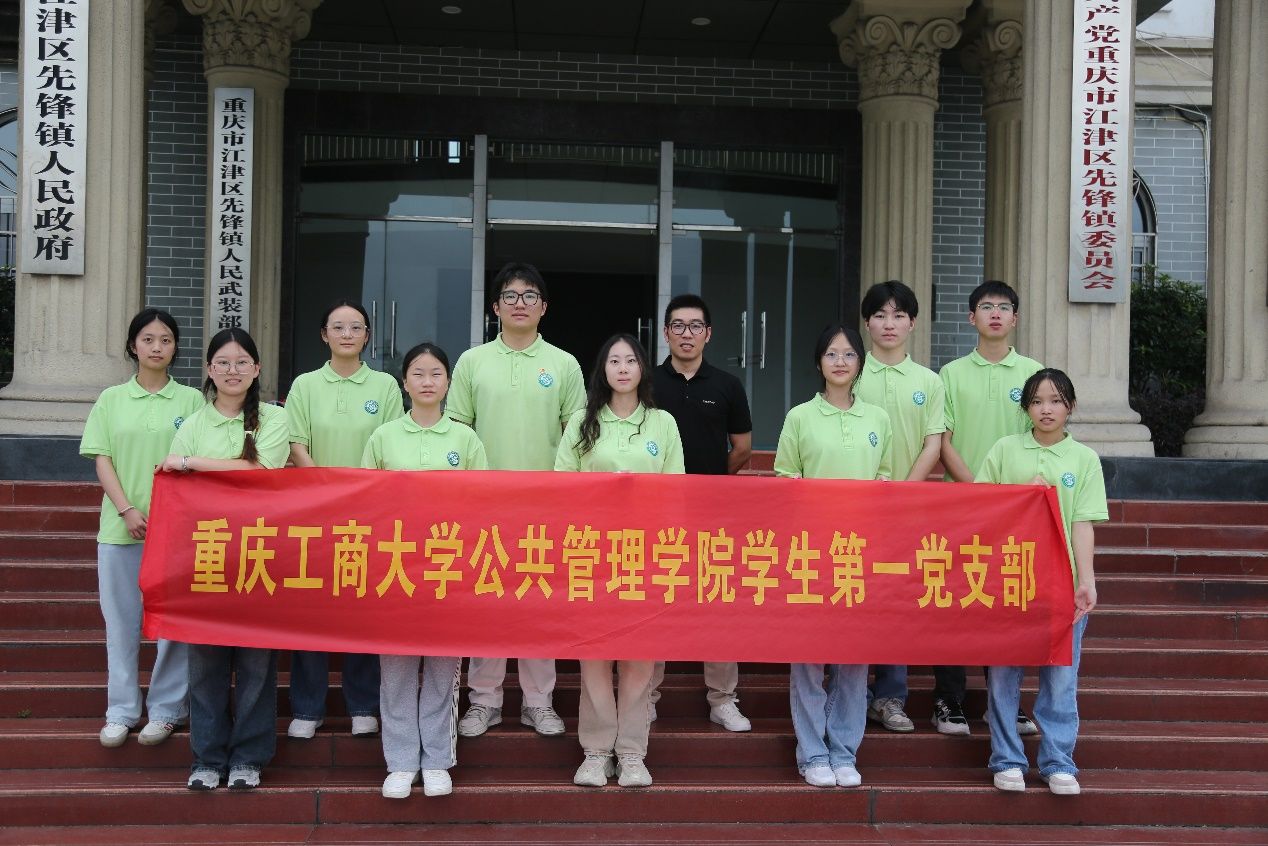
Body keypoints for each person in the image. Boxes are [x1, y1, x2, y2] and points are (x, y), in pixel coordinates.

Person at [447, 262, 585, 739]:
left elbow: (577, 435)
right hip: (484, 504)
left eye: (529, 296)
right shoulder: (472, 362)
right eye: (510, 295)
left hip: (545, 505)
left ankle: (538, 702)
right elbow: (457, 431)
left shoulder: (564, 364)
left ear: (544, 307)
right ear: (495, 307)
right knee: (487, 602)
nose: (520, 303)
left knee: (537, 603)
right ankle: (484, 700)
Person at [162, 328, 290, 791]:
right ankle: (207, 758)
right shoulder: (194, 423)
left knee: (256, 665)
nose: (232, 371)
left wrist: (192, 463)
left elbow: (260, 473)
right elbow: (175, 484)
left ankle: (249, 759)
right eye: (222, 363)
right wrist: (190, 465)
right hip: (206, 558)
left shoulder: (275, 419)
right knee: (205, 665)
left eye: (241, 363)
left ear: (256, 369)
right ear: (209, 370)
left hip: (258, 555)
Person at [555, 333, 684, 788]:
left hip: (645, 555)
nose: (623, 368)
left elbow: (676, 492)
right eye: (614, 361)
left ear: (642, 368)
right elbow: (562, 486)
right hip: (592, 552)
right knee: (594, 653)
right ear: (603, 370)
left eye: (631, 360)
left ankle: (631, 752)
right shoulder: (582, 421)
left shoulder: (662, 423)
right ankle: (595, 751)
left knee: (638, 658)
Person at [363, 342, 488, 800]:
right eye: (418, 373)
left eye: (436, 373)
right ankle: (399, 762)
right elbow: (366, 503)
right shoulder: (383, 437)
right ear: (404, 382)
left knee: (441, 669)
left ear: (448, 383)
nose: (427, 381)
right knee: (395, 669)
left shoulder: (465, 439)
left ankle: (436, 759)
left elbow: (482, 504)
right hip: (395, 569)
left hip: (447, 569)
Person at [79, 308, 206, 749]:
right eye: (148, 339)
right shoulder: (111, 399)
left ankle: (167, 710)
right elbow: (102, 459)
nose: (157, 347)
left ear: (176, 347)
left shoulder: (191, 401)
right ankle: (121, 710)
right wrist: (126, 510)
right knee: (121, 624)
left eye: (166, 339)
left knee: (172, 625)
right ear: (133, 345)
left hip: (177, 533)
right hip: (120, 531)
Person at [773, 324, 891, 789]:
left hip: (860, 555)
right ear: (818, 362)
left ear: (860, 362)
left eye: (848, 354)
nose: (840, 362)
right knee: (808, 657)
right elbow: (785, 482)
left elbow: (885, 480)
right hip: (810, 553)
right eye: (831, 354)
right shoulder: (800, 417)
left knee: (854, 658)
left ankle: (844, 750)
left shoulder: (878, 419)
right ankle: (812, 753)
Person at [977, 369, 1105, 795]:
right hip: (1009, 579)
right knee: (1003, 675)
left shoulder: (1083, 459)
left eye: (1055, 401)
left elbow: (1082, 523)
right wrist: (1019, 494)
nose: (1046, 409)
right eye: (1036, 401)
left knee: (1061, 677)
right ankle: (1007, 759)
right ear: (1025, 407)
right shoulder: (1005, 449)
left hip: (1060, 583)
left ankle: (1058, 762)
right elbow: (980, 509)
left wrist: (1086, 580)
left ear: (1070, 406)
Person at [286, 300, 404, 741]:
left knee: (363, 610)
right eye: (338, 327)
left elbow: (391, 444)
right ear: (324, 335)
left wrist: (359, 496)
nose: (347, 334)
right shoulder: (305, 385)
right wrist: (326, 492)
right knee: (311, 609)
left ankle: (362, 705)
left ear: (368, 336)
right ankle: (307, 707)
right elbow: (296, 443)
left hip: (369, 514)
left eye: (356, 327)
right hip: (314, 514)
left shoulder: (385, 386)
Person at [936, 280, 1044, 737]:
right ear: (971, 317)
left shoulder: (1034, 373)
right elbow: (942, 440)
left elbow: (1041, 437)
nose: (995, 314)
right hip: (962, 504)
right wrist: (979, 489)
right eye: (986, 306)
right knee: (954, 600)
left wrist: (1006, 495)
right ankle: (949, 700)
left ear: (1015, 318)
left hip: (1015, 511)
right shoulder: (951, 374)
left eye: (1003, 307)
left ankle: (1005, 703)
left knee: (1005, 603)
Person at [648, 293, 753, 732]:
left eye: (695, 326)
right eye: (678, 325)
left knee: (717, 603)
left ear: (708, 334)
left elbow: (742, 447)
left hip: (714, 512)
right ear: (666, 332)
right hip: (656, 514)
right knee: (654, 602)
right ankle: (645, 696)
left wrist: (710, 482)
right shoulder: (647, 383)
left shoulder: (727, 385)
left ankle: (723, 699)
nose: (686, 334)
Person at [854, 281, 946, 735]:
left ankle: (890, 696)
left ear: (912, 323)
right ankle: (849, 693)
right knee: (852, 595)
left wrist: (904, 492)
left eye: (898, 315)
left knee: (895, 602)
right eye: (879, 315)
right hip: (853, 510)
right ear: (866, 323)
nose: (888, 324)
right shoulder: (851, 372)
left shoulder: (929, 381)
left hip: (907, 509)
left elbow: (934, 443)